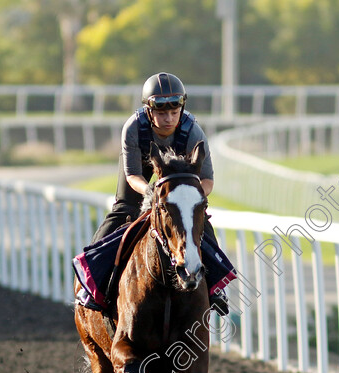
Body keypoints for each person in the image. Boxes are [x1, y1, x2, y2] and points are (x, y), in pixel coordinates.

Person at [75, 72, 232, 316]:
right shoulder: (133, 128)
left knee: (199, 221)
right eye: (161, 113)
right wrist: (152, 192)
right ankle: (92, 279)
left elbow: (207, 181)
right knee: (122, 211)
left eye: (174, 112)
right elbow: (133, 176)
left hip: (181, 175)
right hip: (141, 174)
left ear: (182, 108)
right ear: (149, 111)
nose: (169, 119)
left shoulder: (194, 132)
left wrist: (192, 199)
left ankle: (214, 287)